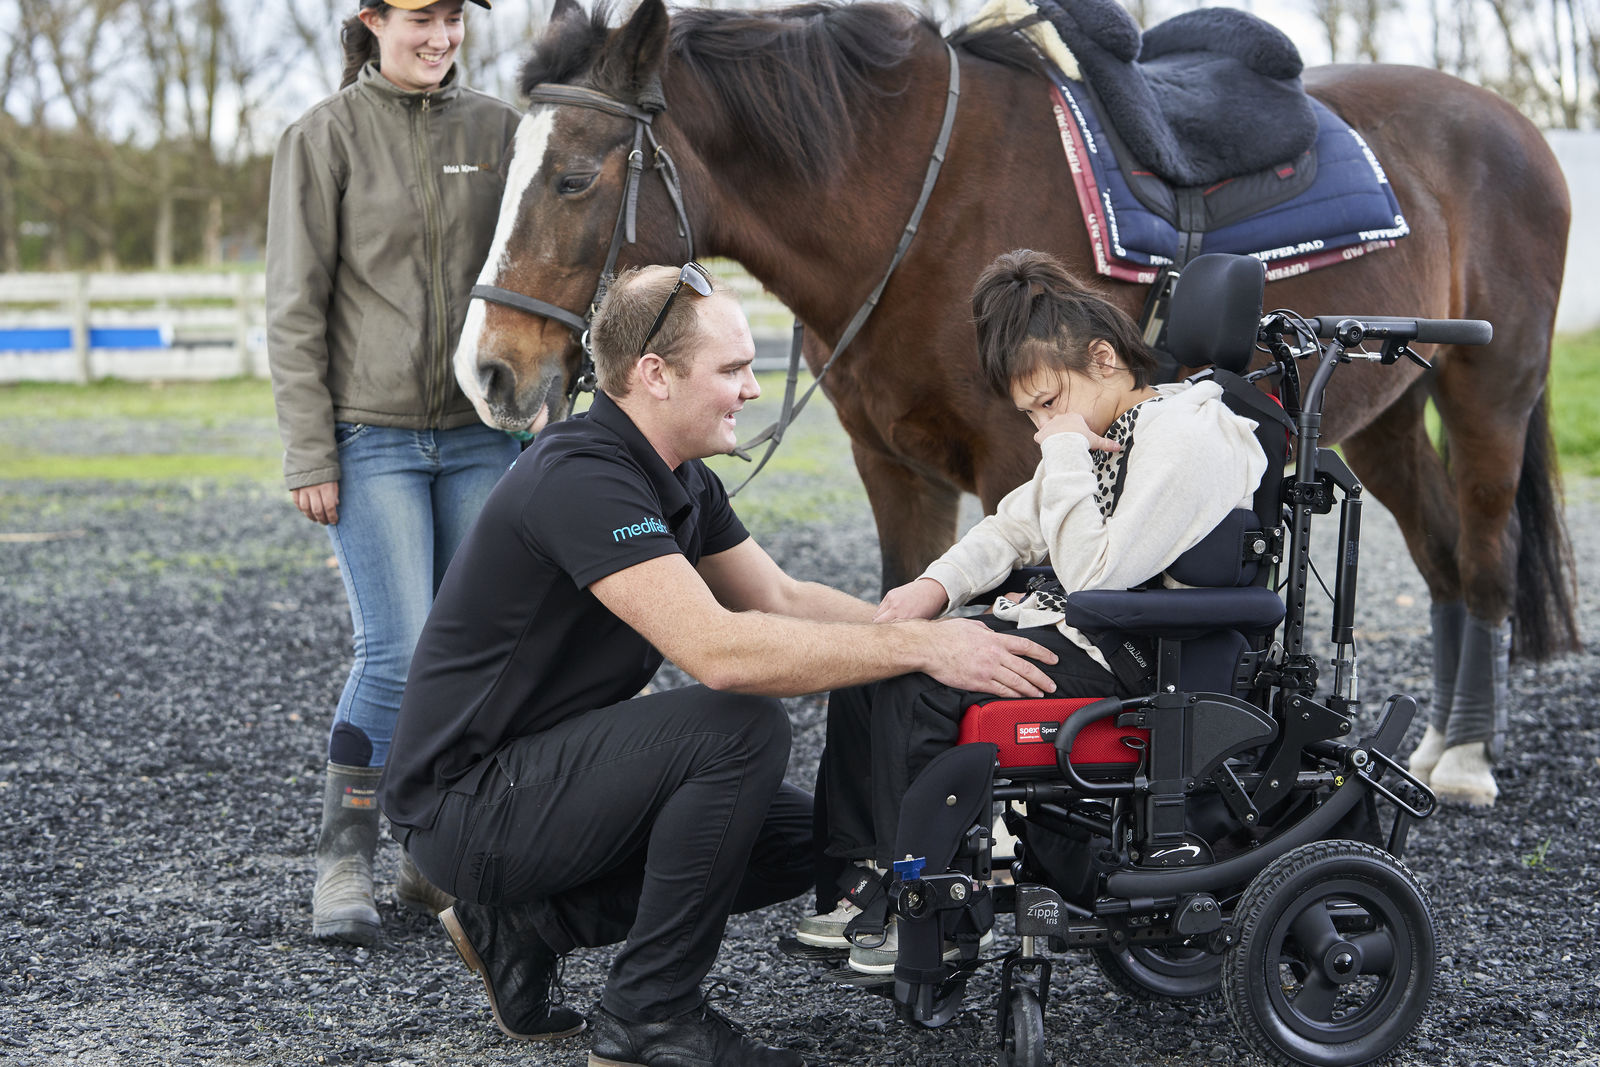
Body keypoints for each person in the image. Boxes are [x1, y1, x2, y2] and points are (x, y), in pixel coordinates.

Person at [377, 262, 1063, 1065]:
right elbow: (720, 652)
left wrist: (953, 632)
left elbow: (781, 596)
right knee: (737, 727)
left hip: (532, 783)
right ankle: (650, 1015)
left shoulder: (679, 478)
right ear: (655, 375)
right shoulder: (582, 476)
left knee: (808, 838)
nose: (752, 389)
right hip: (465, 806)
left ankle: (525, 928)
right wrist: (920, 646)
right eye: (733, 369)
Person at [798, 248, 1269, 973]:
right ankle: (866, 878)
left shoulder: (1190, 435)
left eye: (1049, 402)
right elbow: (1013, 527)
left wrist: (1067, 451)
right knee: (877, 656)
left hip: (1141, 655)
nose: (1043, 424)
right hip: (1090, 631)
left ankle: (935, 910)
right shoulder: (1105, 430)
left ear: (1104, 359)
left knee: (924, 683)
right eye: (1031, 414)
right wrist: (932, 589)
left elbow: (1094, 574)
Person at [265, 0, 523, 946]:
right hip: (369, 438)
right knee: (398, 649)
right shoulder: (322, 137)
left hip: (483, 437)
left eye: (453, 18)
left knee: (473, 655)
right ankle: (345, 859)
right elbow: (294, 307)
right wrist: (310, 449)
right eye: (421, 17)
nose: (441, 37)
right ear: (372, 20)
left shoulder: (501, 132)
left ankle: (432, 857)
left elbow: (547, 267)